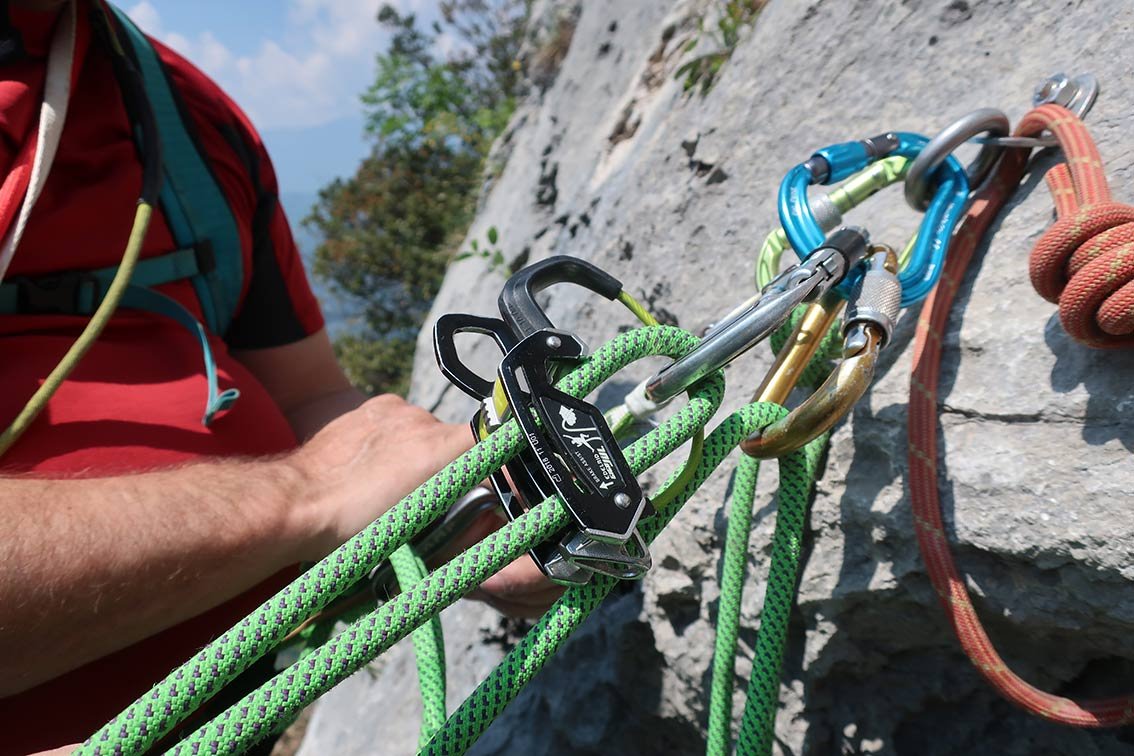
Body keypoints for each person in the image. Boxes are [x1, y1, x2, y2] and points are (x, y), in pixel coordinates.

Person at [0, 2, 559, 753]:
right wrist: (304, 495)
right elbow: (318, 476)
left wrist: (462, 508)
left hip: (238, 715)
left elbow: (306, 393)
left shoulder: (177, 111)